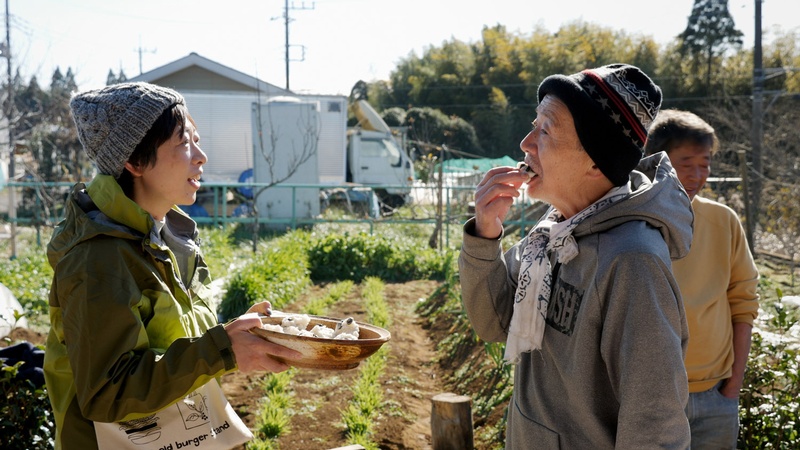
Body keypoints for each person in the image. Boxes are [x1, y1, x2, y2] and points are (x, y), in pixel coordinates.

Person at [43, 82, 301, 450]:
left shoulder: (169, 236)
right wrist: (219, 350)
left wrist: (239, 339)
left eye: (197, 140)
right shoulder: (97, 258)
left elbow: (175, 345)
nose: (201, 156)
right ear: (134, 162)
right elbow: (108, 392)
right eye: (184, 143)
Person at [459, 64, 693, 448]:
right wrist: (485, 235)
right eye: (534, 124)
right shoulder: (554, 230)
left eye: (545, 130)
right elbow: (494, 322)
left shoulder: (632, 261)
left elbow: (654, 424)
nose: (525, 143)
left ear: (596, 161)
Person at [645, 109, 760, 449]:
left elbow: (744, 303)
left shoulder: (723, 221)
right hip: (651, 399)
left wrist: (733, 386)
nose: (697, 175)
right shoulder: (632, 222)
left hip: (716, 395)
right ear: (656, 161)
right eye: (686, 163)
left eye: (705, 163)